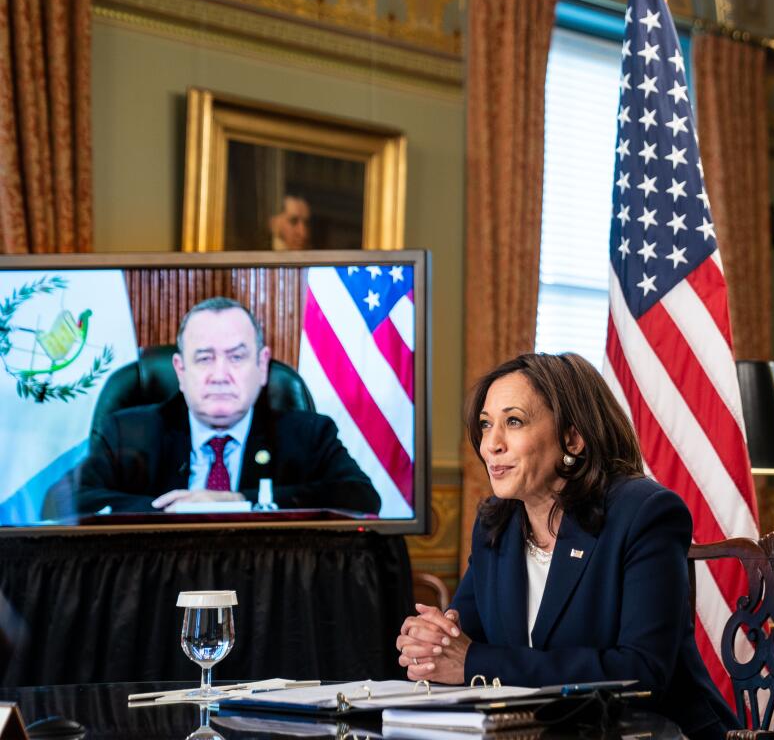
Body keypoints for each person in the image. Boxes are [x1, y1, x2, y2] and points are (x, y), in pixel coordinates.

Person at [394, 353, 738, 740]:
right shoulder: (497, 523)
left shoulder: (644, 513)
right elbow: (461, 637)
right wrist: (431, 642)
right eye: (486, 425)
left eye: (514, 422)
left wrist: (473, 661)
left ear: (573, 437)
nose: (491, 444)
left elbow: (641, 673)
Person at [67, 297, 380, 515]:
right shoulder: (128, 432)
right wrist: (176, 511)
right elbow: (68, 503)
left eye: (236, 357)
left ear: (261, 365)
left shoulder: (309, 435)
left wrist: (238, 501)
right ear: (180, 370)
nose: (220, 375)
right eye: (204, 358)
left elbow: (361, 498)